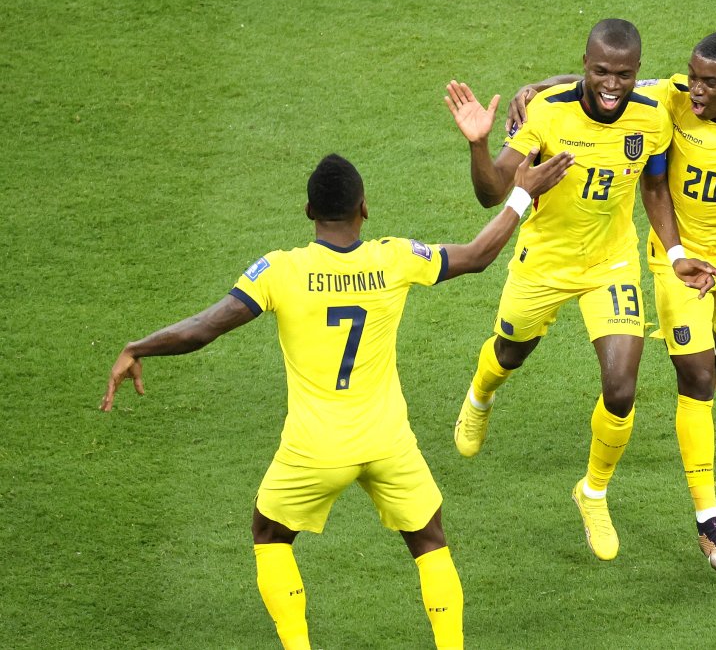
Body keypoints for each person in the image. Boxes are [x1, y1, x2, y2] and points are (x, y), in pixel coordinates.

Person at [100, 151, 572, 649]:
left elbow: (202, 329)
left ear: (308, 212)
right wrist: (521, 193)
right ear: (364, 207)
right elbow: (477, 256)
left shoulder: (278, 271)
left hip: (315, 449)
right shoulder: (393, 258)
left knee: (270, 534)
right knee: (429, 539)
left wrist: (138, 347)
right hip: (389, 443)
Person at [507, 30, 716, 571]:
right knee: (695, 377)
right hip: (675, 257)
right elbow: (605, 84)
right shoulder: (674, 96)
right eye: (693, 76)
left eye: (711, 83)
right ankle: (709, 520)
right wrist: (535, 86)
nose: (696, 90)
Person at [442, 18, 716, 562]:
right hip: (543, 261)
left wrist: (679, 254)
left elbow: (656, 185)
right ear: (585, 67)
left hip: (610, 264)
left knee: (622, 387)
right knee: (509, 352)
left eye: (623, 74)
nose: (612, 84)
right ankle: (481, 393)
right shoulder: (546, 113)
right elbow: (491, 191)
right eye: (600, 72)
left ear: (637, 73)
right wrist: (479, 145)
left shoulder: (652, 116)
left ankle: (593, 492)